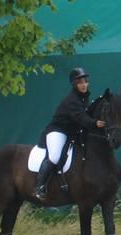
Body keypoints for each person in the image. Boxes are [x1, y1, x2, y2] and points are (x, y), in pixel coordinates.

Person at [34, 67, 106, 200]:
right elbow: (81, 118)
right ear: (74, 84)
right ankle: (40, 187)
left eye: (85, 81)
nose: (84, 84)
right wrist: (94, 123)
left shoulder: (84, 98)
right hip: (57, 130)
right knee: (55, 156)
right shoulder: (71, 100)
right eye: (80, 82)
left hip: (71, 132)